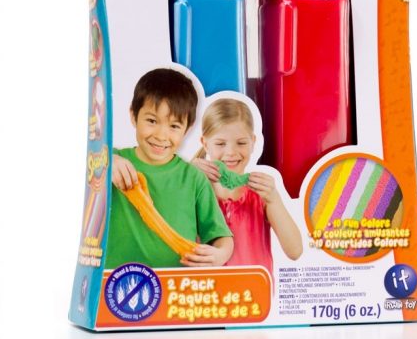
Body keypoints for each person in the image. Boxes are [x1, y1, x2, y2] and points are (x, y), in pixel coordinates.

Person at [105, 68, 233, 269]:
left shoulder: (193, 178)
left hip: (177, 284)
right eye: (152, 121)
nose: (161, 135)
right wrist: (107, 160)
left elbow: (221, 236)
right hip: (116, 282)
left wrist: (220, 254)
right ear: (133, 116)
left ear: (188, 128)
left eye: (174, 126)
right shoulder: (111, 161)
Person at [192, 98, 302, 275]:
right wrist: (186, 178)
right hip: (206, 290)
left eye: (241, 143)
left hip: (253, 290)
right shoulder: (196, 190)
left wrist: (274, 200)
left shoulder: (260, 193)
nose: (231, 152)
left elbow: (295, 251)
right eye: (220, 144)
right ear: (205, 144)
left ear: (253, 142)